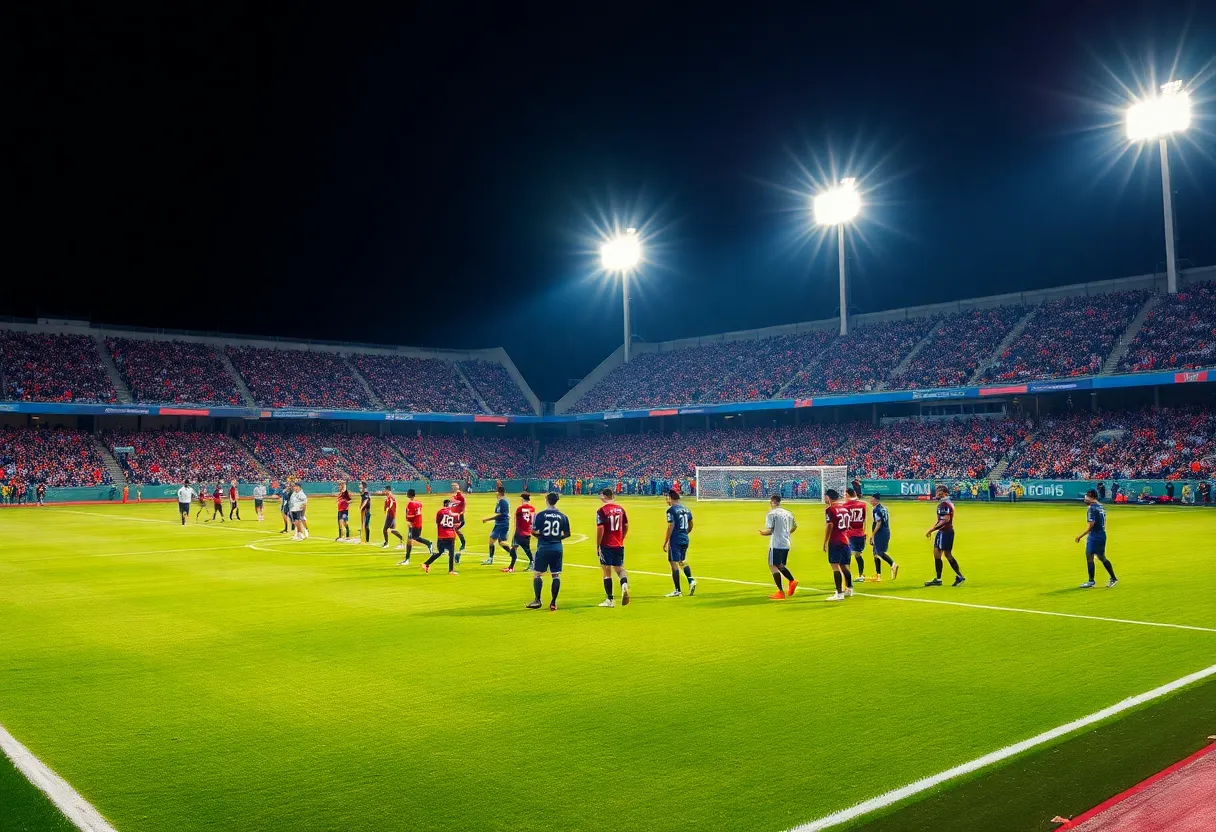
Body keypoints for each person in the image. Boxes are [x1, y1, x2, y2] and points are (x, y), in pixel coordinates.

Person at [527, 492, 571, 611]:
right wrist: (557, 538)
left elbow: (533, 531)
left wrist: (542, 537)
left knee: (537, 574)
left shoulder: (541, 515)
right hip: (557, 548)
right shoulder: (563, 516)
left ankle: (537, 599)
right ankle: (553, 602)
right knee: (556, 575)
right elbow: (567, 534)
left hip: (543, 547)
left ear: (547, 500)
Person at [1075, 489, 1118, 589]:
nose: (1085, 499)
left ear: (1091, 497)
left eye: (1086, 497)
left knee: (1096, 557)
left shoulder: (1092, 508)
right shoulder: (1101, 506)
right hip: (1101, 535)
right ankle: (1099, 580)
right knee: (1095, 556)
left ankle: (1099, 580)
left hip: (1095, 536)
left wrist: (1080, 536)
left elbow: (1091, 525)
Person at [595, 487, 630, 607]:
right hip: (618, 544)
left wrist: (598, 544)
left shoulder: (601, 511)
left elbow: (600, 529)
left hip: (607, 544)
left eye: (601, 495)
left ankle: (610, 600)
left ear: (605, 496)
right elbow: (626, 525)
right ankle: (624, 584)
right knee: (620, 569)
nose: (600, 497)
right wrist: (622, 538)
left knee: (606, 571)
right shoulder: (621, 509)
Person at [924, 485, 964, 587]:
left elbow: (945, 520)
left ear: (944, 493)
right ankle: (938, 579)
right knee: (937, 554)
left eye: (939, 492)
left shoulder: (945, 504)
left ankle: (960, 576)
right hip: (943, 532)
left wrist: (931, 529)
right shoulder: (946, 503)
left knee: (947, 554)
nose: (936, 493)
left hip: (946, 532)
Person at [761, 493, 799, 600]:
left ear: (772, 502)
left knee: (774, 565)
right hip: (786, 543)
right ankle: (788, 585)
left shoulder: (771, 514)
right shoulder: (788, 513)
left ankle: (786, 587)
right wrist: (786, 533)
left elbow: (770, 530)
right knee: (778, 564)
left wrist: (762, 533)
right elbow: (795, 526)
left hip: (776, 543)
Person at [663, 489, 696, 597]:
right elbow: (691, 524)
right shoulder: (687, 509)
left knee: (673, 563)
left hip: (675, 539)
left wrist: (666, 541)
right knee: (682, 561)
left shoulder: (671, 510)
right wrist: (685, 533)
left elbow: (670, 526)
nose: (666, 500)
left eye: (667, 498)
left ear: (671, 498)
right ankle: (691, 580)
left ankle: (678, 590)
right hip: (684, 538)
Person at [422, 498, 459, 574]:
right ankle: (451, 570)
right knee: (451, 553)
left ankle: (426, 564)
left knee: (440, 552)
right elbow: (455, 524)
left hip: (441, 536)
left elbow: (438, 522)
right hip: (450, 535)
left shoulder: (439, 512)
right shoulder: (453, 513)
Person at [867, 494, 898, 580]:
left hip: (880, 533)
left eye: (872, 500)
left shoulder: (876, 510)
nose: (870, 501)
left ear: (876, 500)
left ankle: (893, 564)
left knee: (879, 552)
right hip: (885, 531)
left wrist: (873, 534)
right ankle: (878, 575)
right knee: (875, 553)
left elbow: (878, 523)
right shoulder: (884, 508)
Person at [481, 485, 513, 566]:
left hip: (502, 524)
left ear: (499, 493)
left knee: (501, 543)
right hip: (499, 524)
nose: (495, 493)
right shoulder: (501, 502)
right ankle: (490, 559)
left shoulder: (503, 502)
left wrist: (487, 519)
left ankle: (513, 553)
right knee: (492, 540)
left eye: (496, 492)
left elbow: (500, 515)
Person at [400, 488, 433, 565]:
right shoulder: (419, 502)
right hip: (419, 523)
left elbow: (411, 515)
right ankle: (407, 559)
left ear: (409, 494)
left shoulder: (410, 504)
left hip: (413, 524)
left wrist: (409, 521)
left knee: (411, 540)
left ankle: (407, 559)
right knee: (412, 539)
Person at [505, 492, 536, 573]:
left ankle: (512, 568)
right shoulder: (532, 509)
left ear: (522, 499)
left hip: (519, 532)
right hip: (527, 532)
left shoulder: (519, 509)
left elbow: (516, 520)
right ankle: (512, 567)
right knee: (526, 549)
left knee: (514, 549)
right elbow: (533, 521)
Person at [844, 487, 868, 581]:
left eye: (845, 494)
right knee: (858, 555)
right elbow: (864, 519)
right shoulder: (863, 505)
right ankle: (861, 575)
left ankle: (847, 577)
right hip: (860, 533)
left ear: (849, 495)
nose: (844, 496)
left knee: (847, 555)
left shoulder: (846, 506)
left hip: (850, 533)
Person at [381, 485, 406, 550]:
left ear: (388, 491)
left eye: (385, 490)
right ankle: (402, 539)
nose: (385, 492)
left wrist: (388, 508)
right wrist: (385, 509)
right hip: (391, 515)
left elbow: (391, 502)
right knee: (393, 530)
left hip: (391, 516)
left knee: (384, 530)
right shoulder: (388, 497)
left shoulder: (391, 497)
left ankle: (386, 543)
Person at [450, 481, 468, 561]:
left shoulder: (459, 495)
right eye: (452, 486)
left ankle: (458, 550)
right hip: (454, 518)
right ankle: (461, 547)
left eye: (454, 486)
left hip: (459, 518)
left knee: (453, 531)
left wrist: (463, 511)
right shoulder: (454, 496)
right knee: (454, 531)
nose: (453, 487)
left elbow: (464, 502)